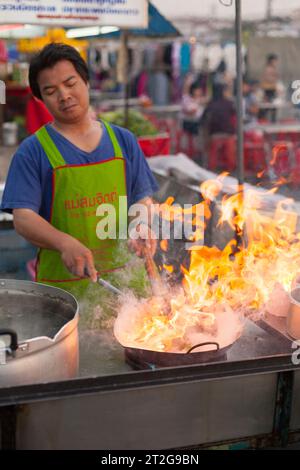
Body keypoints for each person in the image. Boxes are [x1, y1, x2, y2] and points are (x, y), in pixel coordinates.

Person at [0, 43, 158, 306]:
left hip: (128, 287)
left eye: (70, 83)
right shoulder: (33, 151)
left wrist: (139, 224)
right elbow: (23, 218)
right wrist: (63, 243)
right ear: (40, 99)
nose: (64, 95)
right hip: (65, 297)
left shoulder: (123, 141)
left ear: (86, 81)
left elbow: (141, 198)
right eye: (51, 91)